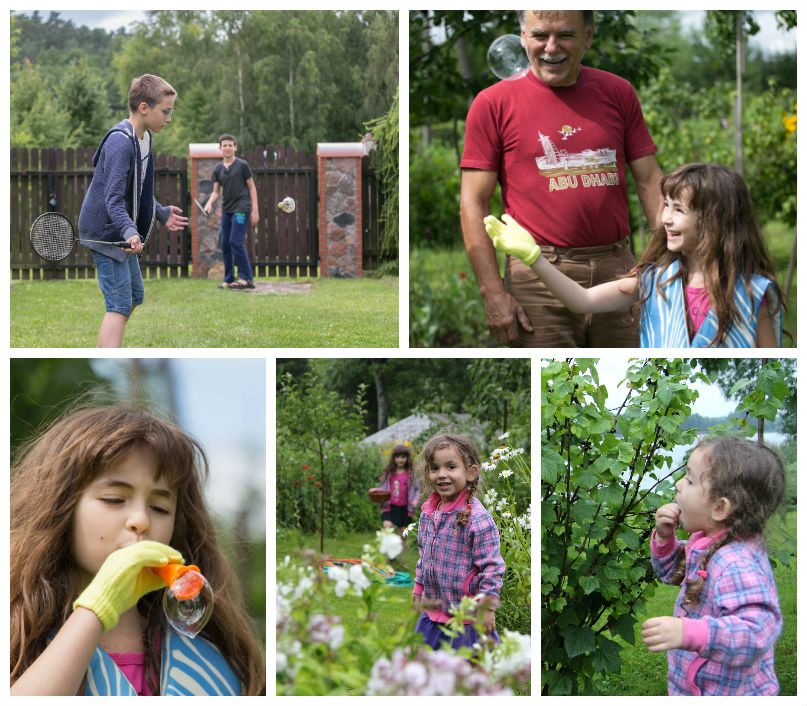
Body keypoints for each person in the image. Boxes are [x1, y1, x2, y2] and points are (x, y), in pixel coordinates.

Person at [10, 405, 265, 695]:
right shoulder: (17, 633)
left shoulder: (208, 653)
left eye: (159, 507)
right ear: (59, 509)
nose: (141, 521)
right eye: (114, 499)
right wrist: (98, 607)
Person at [460, 10, 663, 347]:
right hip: (537, 274)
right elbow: (473, 201)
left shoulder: (618, 93)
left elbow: (650, 180)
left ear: (588, 36)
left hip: (619, 270)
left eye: (565, 35)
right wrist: (492, 292)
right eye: (540, 35)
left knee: (632, 377)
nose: (551, 48)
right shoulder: (492, 104)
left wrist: (666, 264)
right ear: (523, 36)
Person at [485, 162, 782, 347]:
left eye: (678, 210)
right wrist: (533, 256)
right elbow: (581, 300)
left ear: (716, 220)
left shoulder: (750, 293)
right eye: (665, 205)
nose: (664, 218)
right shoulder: (654, 281)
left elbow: (770, 367)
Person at [642, 437, 785, 695]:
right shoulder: (710, 543)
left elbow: (756, 633)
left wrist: (690, 632)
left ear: (720, 508)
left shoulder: (735, 564)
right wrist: (665, 539)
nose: (677, 484)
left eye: (690, 480)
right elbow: (671, 573)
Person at [78, 74, 189, 348]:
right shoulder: (120, 142)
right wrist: (130, 231)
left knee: (134, 296)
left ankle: (110, 347)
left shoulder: (145, 139)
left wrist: (160, 212)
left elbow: (137, 191)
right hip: (105, 231)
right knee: (118, 304)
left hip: (120, 229)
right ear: (143, 107)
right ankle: (108, 361)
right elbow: (113, 199)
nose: (169, 118)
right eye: (166, 111)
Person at [413, 433, 505, 650]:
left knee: (467, 679)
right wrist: (418, 587)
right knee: (427, 677)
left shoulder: (477, 519)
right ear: (428, 473)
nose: (442, 474)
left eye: (451, 467)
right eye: (435, 468)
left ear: (471, 472)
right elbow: (424, 556)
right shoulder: (429, 513)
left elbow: (492, 568)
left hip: (466, 621)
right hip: (434, 616)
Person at [203, 134, 259, 289]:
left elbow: (252, 187)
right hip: (227, 210)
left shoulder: (242, 165)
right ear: (220, 148)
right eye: (224, 145)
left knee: (235, 241)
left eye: (230, 145)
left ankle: (246, 278)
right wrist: (209, 204)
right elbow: (215, 192)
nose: (227, 148)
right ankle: (229, 279)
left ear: (235, 147)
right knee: (226, 244)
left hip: (241, 209)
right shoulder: (218, 169)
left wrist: (255, 210)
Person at [378, 444, 420, 537]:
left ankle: (403, 549)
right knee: (387, 525)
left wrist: (415, 501)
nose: (400, 460)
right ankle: (386, 548)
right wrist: (376, 491)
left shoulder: (410, 474)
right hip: (389, 505)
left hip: (405, 507)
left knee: (403, 533)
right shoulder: (389, 473)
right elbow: (384, 488)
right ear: (394, 458)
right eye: (397, 457)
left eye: (403, 457)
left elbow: (417, 490)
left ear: (407, 458)